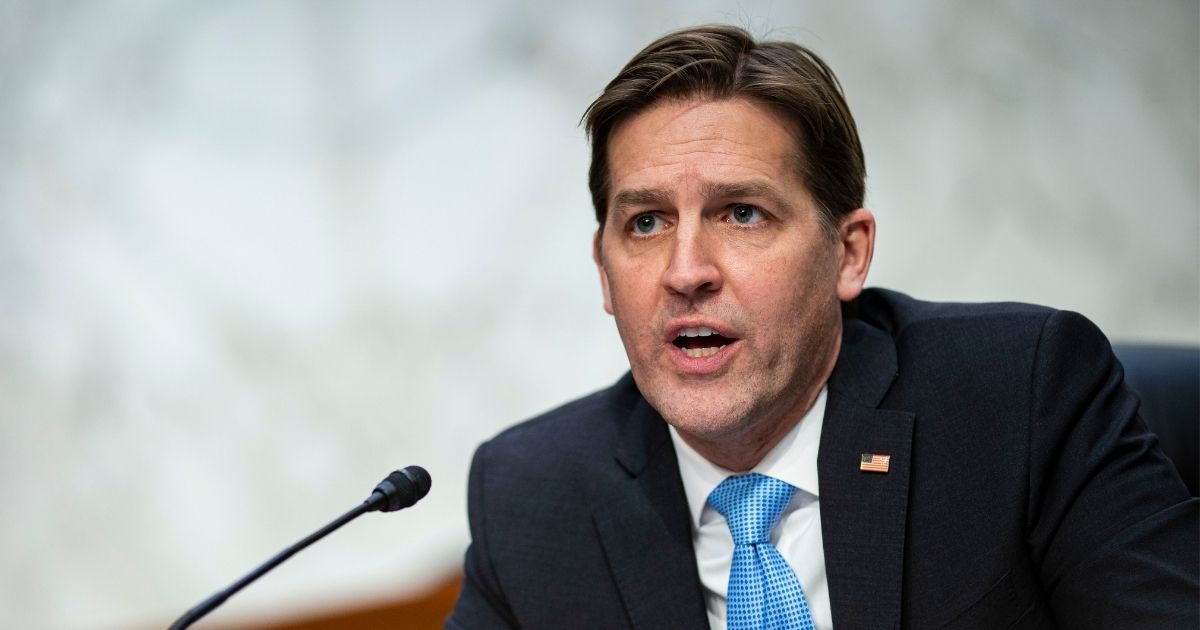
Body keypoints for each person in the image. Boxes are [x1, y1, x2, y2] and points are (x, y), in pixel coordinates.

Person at [446, 25, 1198, 629]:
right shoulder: (531, 496)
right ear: (605, 271)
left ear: (849, 253)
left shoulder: (1023, 398)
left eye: (742, 213)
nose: (685, 271)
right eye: (645, 223)